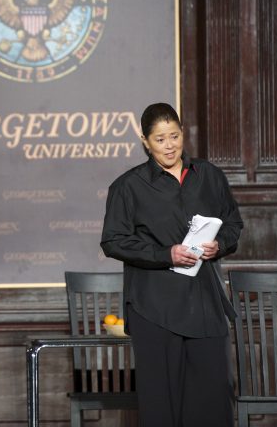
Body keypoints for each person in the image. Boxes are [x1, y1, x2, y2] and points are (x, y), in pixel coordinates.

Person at [100, 103, 243, 427]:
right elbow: (113, 241)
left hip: (205, 304)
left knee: (214, 398)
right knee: (161, 404)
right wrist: (167, 254)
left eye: (174, 136)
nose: (169, 145)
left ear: (182, 133)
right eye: (160, 139)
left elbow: (233, 224)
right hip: (155, 308)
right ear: (145, 141)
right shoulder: (128, 186)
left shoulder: (209, 176)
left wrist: (219, 245)